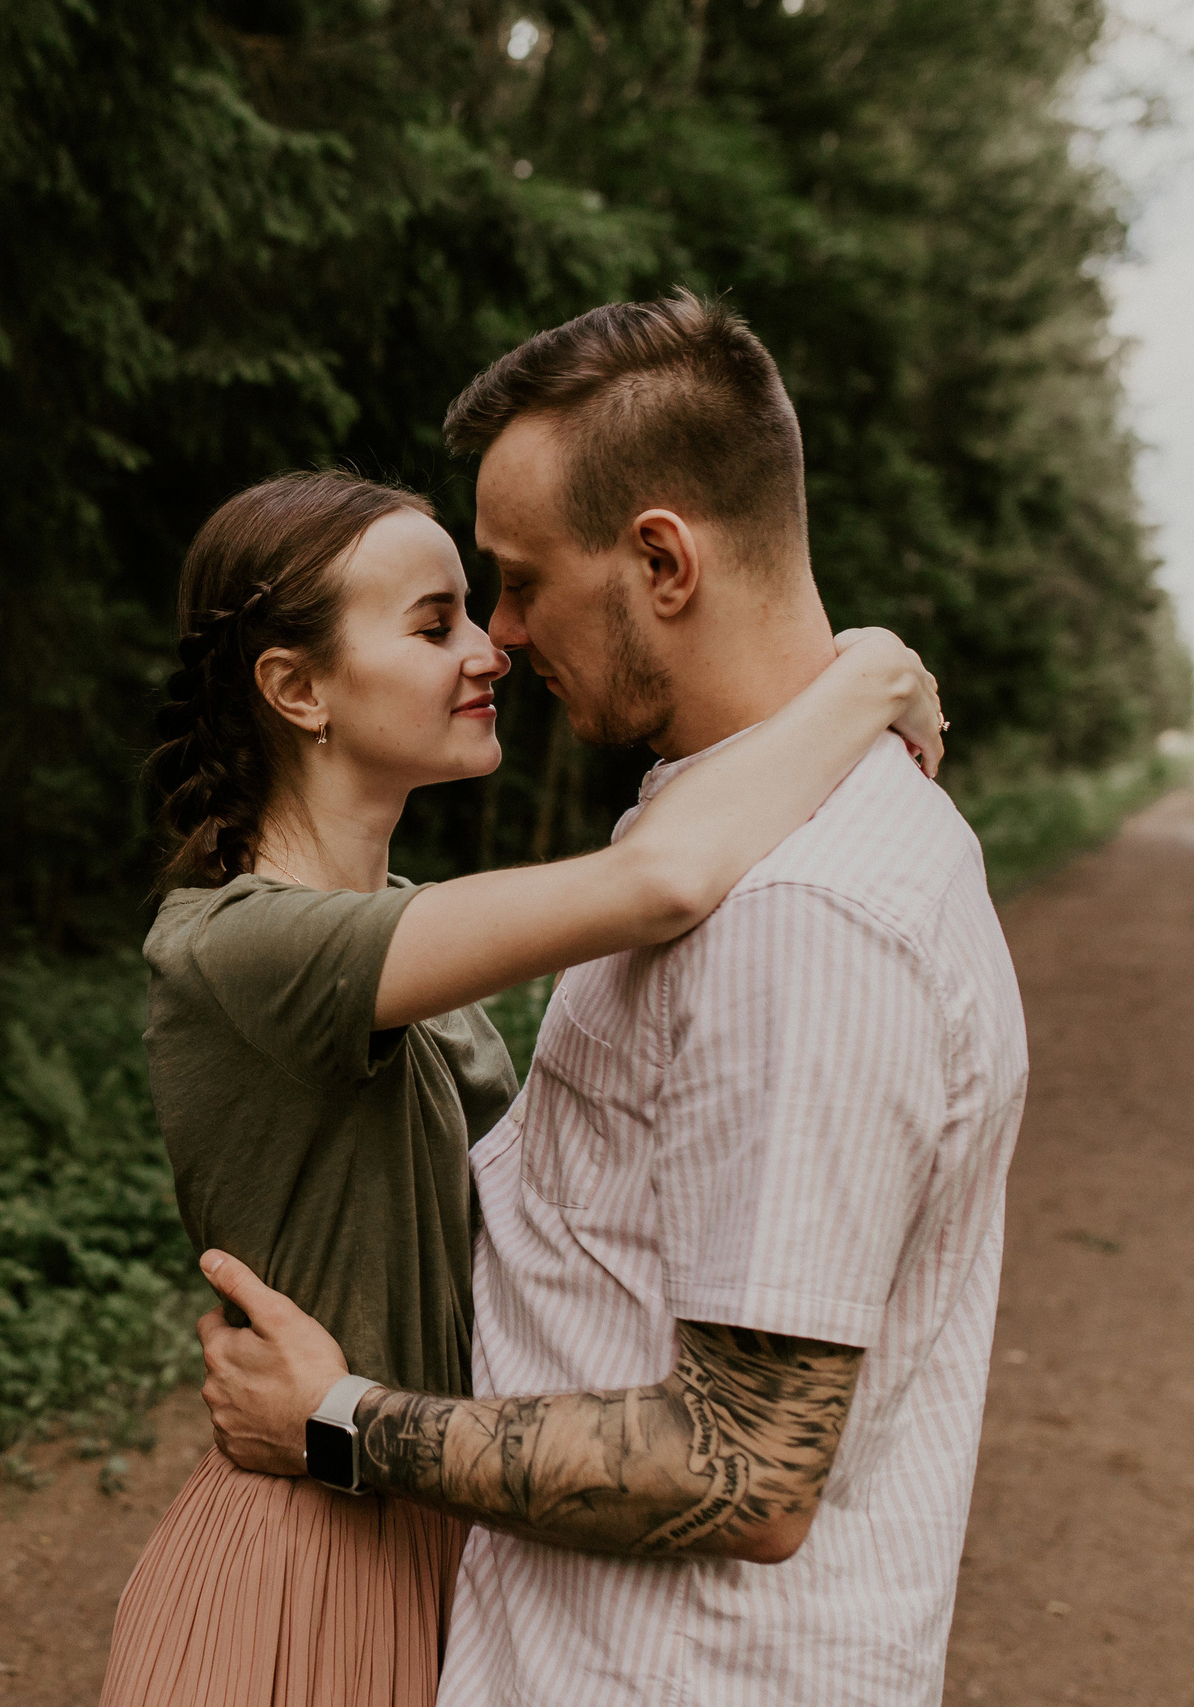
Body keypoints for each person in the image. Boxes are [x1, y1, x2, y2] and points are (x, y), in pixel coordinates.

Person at [193, 292, 1030, 1707]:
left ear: (661, 560)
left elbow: (743, 1467)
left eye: (516, 581)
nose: (502, 635)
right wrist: (868, 666)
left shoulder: (800, 917)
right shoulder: (732, 828)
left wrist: (334, 1426)